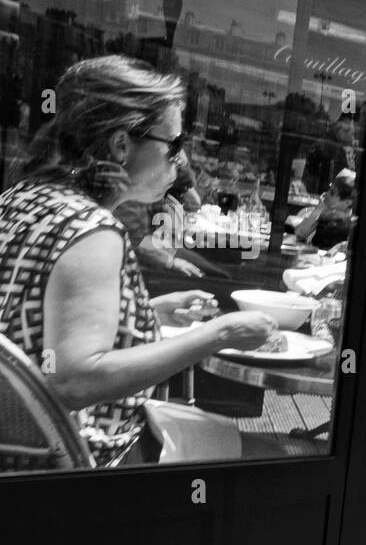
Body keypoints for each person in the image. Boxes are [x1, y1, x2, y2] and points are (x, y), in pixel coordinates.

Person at [0, 55, 277, 465]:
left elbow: (39, 324)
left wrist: (148, 311)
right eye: (175, 144)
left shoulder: (20, 198)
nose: (181, 160)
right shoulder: (92, 229)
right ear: (120, 144)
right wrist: (220, 333)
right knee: (277, 460)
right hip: (86, 459)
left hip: (19, 452)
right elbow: (76, 379)